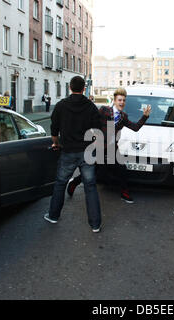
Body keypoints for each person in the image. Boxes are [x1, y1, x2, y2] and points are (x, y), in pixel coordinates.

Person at [67, 87, 151, 204]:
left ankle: (124, 192)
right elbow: (91, 122)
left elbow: (135, 127)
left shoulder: (123, 117)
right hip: (99, 146)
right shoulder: (104, 110)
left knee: (121, 169)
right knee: (93, 171)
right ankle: (74, 183)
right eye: (120, 100)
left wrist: (145, 116)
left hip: (112, 149)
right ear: (115, 101)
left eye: (123, 100)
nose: (122, 103)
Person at [44, 76, 103, 233]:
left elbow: (54, 129)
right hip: (86, 152)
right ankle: (95, 224)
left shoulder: (61, 105)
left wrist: (56, 143)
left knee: (60, 183)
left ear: (70, 87)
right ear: (84, 88)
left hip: (68, 151)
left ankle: (53, 216)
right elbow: (98, 130)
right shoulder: (91, 107)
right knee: (90, 186)